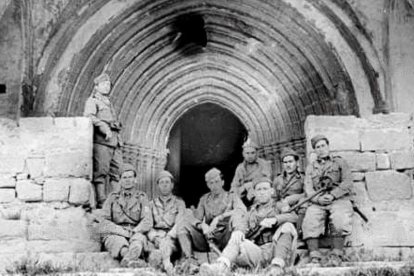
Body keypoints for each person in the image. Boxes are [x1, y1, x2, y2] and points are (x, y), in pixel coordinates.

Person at [200, 177, 298, 276]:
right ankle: (220, 266)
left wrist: (276, 219)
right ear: (254, 193)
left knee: (287, 225)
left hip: (277, 250)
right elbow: (242, 223)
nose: (262, 192)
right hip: (259, 252)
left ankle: (277, 267)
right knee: (237, 238)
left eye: (265, 189)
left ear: (271, 191)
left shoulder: (279, 205)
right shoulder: (251, 211)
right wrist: (239, 231)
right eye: (259, 190)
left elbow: (294, 217)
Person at [176, 168, 246, 274]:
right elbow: (196, 218)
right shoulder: (204, 199)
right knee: (183, 224)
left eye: (217, 182)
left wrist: (220, 217)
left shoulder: (231, 196)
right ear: (208, 185)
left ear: (223, 182)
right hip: (208, 237)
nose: (214, 185)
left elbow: (241, 211)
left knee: (236, 217)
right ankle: (190, 260)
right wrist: (202, 225)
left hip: (226, 236)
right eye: (211, 183)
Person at [302, 135, 353, 266]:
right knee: (310, 219)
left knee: (339, 219)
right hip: (318, 201)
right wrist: (318, 199)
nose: (321, 149)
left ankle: (337, 254)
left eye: (323, 146)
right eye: (317, 147)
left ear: (328, 146)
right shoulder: (311, 168)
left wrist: (333, 195)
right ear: (314, 150)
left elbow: (347, 182)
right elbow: (308, 188)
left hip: (339, 199)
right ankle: (314, 255)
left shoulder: (340, 162)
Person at [98, 163, 152, 267]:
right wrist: (120, 231)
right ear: (120, 180)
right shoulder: (112, 198)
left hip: (135, 231)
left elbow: (147, 221)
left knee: (138, 240)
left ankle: (129, 259)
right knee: (117, 242)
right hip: (116, 232)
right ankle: (131, 258)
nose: (127, 180)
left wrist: (134, 231)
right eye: (124, 177)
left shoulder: (142, 197)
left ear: (135, 179)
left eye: (130, 177)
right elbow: (103, 220)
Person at [84, 72, 123, 208]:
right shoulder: (92, 101)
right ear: (96, 86)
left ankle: (116, 202)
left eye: (108, 85)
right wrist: (103, 126)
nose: (107, 87)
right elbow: (89, 116)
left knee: (117, 172)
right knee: (101, 172)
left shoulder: (109, 103)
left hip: (115, 142)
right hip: (102, 142)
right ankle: (101, 202)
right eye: (104, 84)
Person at [146, 170, 186, 274]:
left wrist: (169, 236)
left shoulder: (179, 203)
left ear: (172, 185)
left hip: (172, 238)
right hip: (155, 238)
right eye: (161, 182)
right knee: (151, 253)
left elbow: (180, 223)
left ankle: (167, 265)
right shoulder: (151, 204)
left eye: (167, 182)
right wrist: (154, 237)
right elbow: (147, 224)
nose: (164, 185)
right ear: (158, 186)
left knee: (165, 247)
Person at [230, 138, 272, 208]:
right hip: (243, 195)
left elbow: (267, 180)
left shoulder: (263, 164)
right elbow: (235, 184)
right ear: (243, 154)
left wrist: (250, 185)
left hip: (259, 192)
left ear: (257, 153)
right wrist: (238, 191)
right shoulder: (240, 167)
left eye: (252, 153)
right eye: (247, 153)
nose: (250, 156)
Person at [273, 148, 305, 235]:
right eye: (285, 162)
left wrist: (291, 199)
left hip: (297, 209)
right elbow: (274, 199)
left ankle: (299, 234)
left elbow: (307, 194)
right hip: (281, 209)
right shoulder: (277, 180)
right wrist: (281, 206)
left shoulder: (303, 178)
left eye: (290, 161)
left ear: (297, 163)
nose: (288, 165)